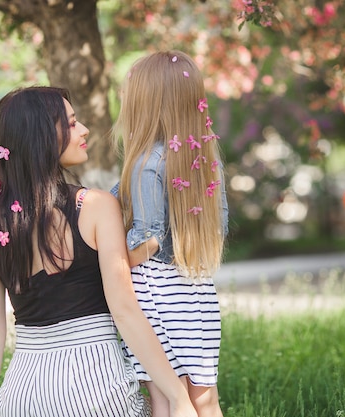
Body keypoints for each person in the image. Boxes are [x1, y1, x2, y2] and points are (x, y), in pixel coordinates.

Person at [0, 86, 197, 417]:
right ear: (43, 137)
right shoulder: (95, 206)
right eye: (72, 123)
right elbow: (124, 311)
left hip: (22, 397)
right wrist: (178, 396)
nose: (84, 130)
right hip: (97, 392)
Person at [111, 51, 229, 417]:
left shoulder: (146, 163)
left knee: (165, 396)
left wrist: (113, 265)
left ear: (146, 104)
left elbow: (149, 240)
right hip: (196, 292)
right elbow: (219, 226)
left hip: (155, 297)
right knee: (205, 398)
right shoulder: (206, 162)